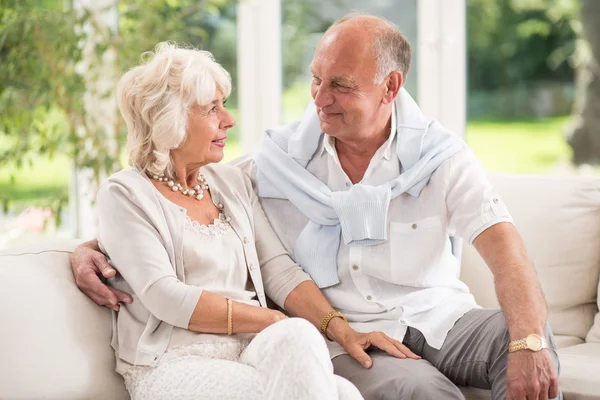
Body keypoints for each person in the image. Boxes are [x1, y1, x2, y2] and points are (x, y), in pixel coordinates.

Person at [73, 15, 561, 400]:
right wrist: (93, 245)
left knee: (524, 337)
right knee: (420, 392)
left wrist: (529, 343)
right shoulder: (280, 162)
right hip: (343, 340)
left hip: (437, 317)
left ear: (390, 88)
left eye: (341, 85)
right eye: (315, 80)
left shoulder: (442, 158)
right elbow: (158, 210)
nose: (319, 100)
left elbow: (508, 253)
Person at [86, 41, 421, 400]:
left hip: (249, 352)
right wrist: (269, 319)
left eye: (224, 105)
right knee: (337, 391)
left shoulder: (230, 182)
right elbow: (165, 296)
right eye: (212, 109)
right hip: (172, 365)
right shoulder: (125, 194)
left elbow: (278, 269)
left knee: (315, 357)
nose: (228, 120)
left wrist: (342, 331)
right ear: (171, 119)